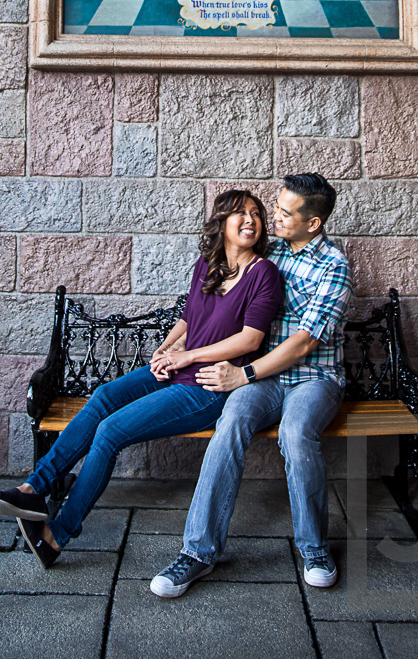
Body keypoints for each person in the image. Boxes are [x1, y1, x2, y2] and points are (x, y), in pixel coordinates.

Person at [0, 190, 283, 570]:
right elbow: (191, 319)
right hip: (179, 367)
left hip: (209, 385)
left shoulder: (264, 273)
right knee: (105, 395)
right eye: (240, 213)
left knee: (110, 432)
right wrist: (165, 349)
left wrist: (185, 356)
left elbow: (250, 339)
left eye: (256, 214)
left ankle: (56, 536)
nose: (250, 220)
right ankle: (33, 489)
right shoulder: (206, 265)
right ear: (221, 221)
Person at [151, 172, 353, 599]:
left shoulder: (334, 267)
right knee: (230, 424)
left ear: (312, 223)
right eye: (275, 207)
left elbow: (304, 342)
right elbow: (215, 298)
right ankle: (199, 551)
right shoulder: (269, 253)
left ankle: (315, 550)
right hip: (263, 377)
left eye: (283, 211)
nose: (272, 215)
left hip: (313, 379)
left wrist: (242, 374)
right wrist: (179, 346)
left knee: (297, 435)